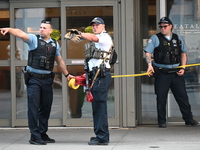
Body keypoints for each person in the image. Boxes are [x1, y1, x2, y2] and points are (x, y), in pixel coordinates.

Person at [0, 20, 73, 145]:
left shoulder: (55, 44)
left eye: (45, 28)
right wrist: (9, 29)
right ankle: (34, 136)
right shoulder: (34, 39)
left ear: (51, 30)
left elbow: (59, 61)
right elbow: (20, 33)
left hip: (47, 80)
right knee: (33, 107)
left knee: (46, 108)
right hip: (34, 80)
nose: (42, 29)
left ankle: (42, 133)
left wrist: (66, 74)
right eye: (40, 27)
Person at [144, 17, 199, 128]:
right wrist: (149, 65)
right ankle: (162, 121)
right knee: (161, 97)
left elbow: (183, 53)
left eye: (165, 26)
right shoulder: (155, 38)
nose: (162, 28)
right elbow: (148, 53)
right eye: (161, 26)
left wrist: (183, 68)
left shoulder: (178, 38)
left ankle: (188, 119)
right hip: (162, 73)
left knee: (182, 97)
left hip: (176, 73)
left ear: (170, 27)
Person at [78, 17, 113, 145]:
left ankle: (102, 137)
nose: (95, 27)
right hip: (95, 76)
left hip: (101, 76)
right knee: (96, 107)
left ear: (103, 26)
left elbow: (93, 37)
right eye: (93, 25)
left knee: (100, 107)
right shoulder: (96, 40)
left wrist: (80, 34)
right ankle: (99, 134)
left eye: (97, 25)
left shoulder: (104, 37)